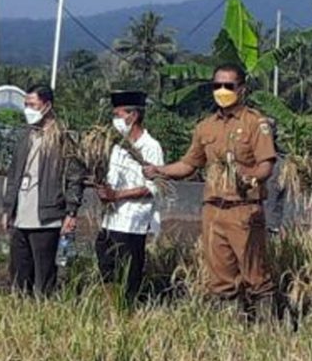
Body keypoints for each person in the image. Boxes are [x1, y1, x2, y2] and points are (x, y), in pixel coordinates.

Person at [143, 63, 276, 318]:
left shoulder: (255, 123)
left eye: (229, 86)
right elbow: (188, 165)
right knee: (220, 277)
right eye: (217, 86)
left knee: (255, 274)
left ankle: (268, 327)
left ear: (242, 89)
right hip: (213, 210)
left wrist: (247, 177)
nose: (222, 91)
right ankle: (231, 327)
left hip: (244, 209)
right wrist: (159, 170)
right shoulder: (205, 127)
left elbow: (266, 166)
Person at [1, 84, 85, 296]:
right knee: (19, 271)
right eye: (26, 104)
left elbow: (75, 177)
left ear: (46, 106)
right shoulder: (25, 137)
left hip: (47, 217)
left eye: (33, 105)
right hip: (21, 214)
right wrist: (7, 209)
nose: (28, 109)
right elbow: (13, 175)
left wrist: (71, 212)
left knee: (44, 273)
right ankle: (21, 312)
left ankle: (44, 312)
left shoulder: (62, 139)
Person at [94, 91, 164, 303]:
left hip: (133, 221)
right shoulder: (116, 146)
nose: (115, 120)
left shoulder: (151, 146)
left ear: (132, 116)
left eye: (118, 114)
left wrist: (117, 195)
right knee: (107, 266)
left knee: (128, 272)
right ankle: (110, 307)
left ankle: (128, 309)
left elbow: (152, 187)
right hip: (110, 219)